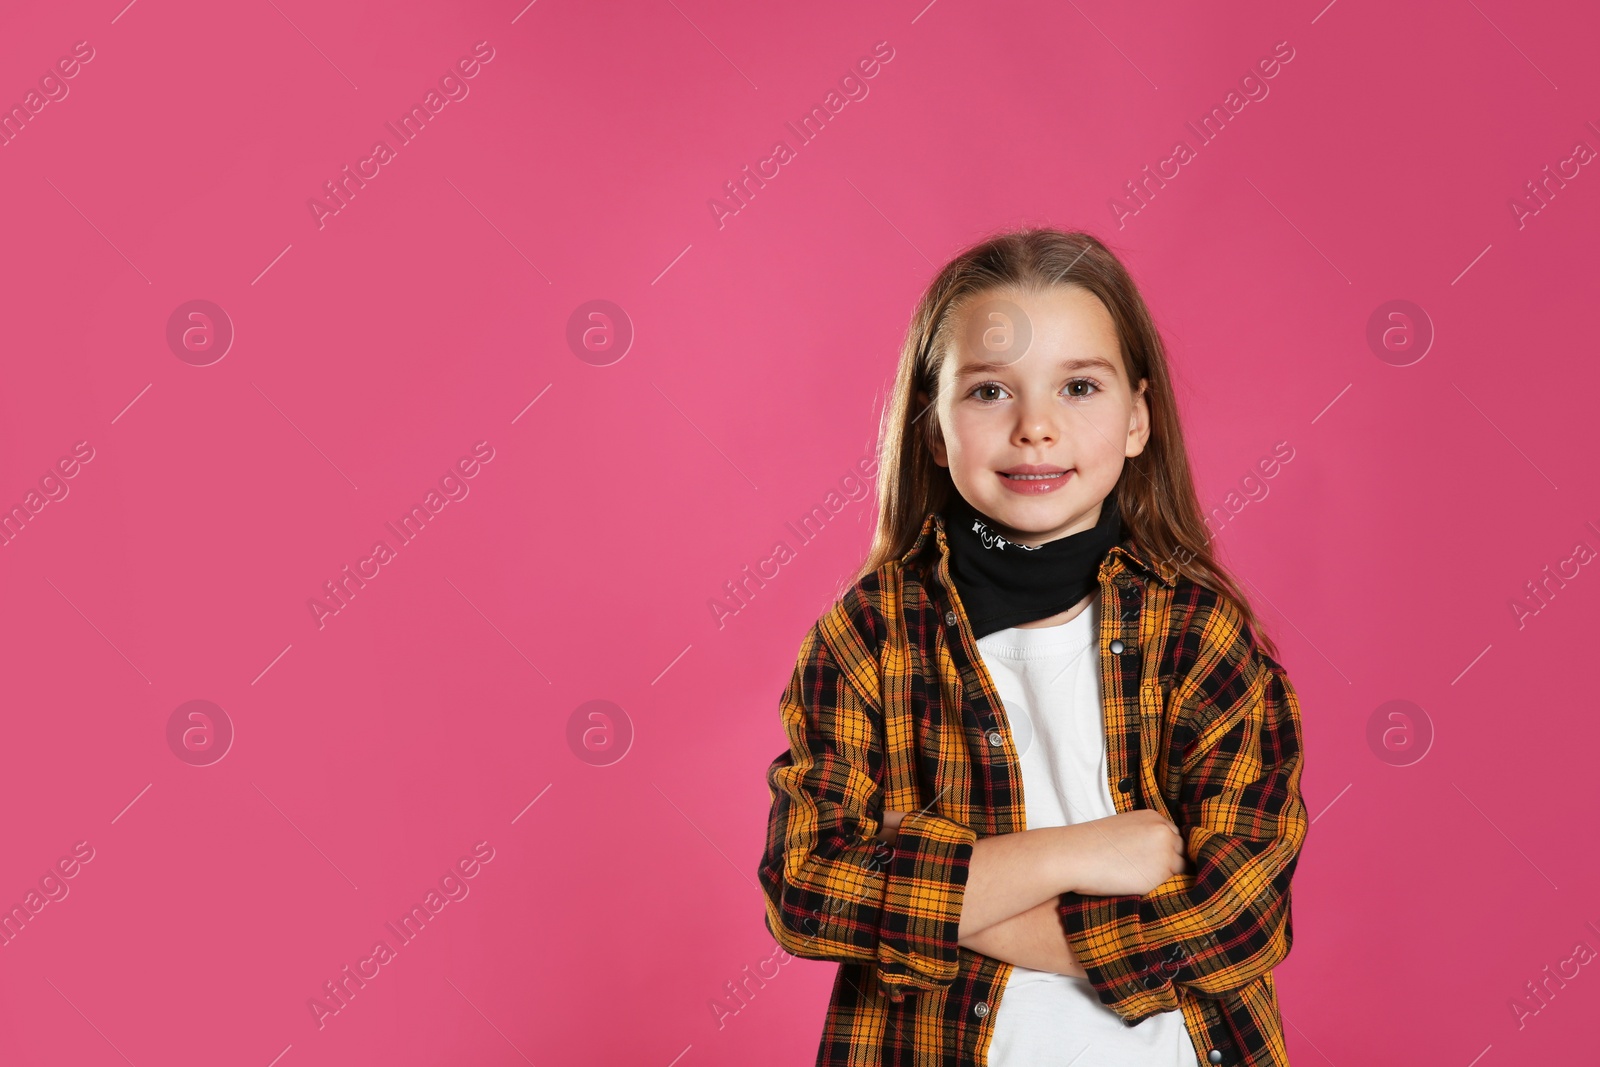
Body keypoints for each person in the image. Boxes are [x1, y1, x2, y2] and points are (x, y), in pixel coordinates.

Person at [757, 227, 1309, 1067]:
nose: (1036, 428)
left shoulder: (1202, 636)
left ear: (1136, 419)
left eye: (1079, 386)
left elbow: (1235, 920)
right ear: (935, 431)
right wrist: (1086, 852)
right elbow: (808, 887)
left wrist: (948, 896)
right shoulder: (867, 638)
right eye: (988, 392)